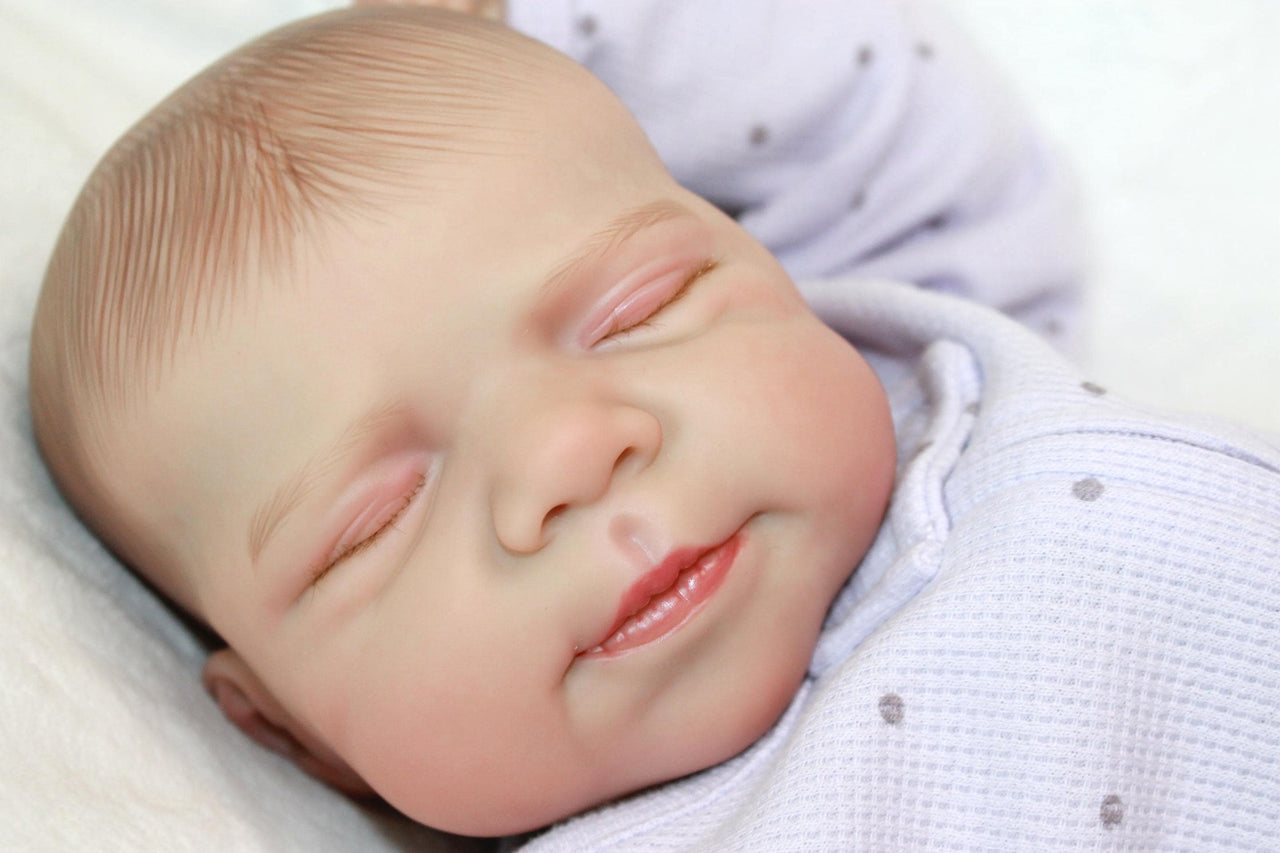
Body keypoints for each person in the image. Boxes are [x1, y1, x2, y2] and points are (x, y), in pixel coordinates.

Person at [27, 2, 1280, 849]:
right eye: (375, 524)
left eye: (639, 309)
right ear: (295, 734)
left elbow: (870, 124)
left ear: (776, 279)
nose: (565, 459)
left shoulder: (943, 388)